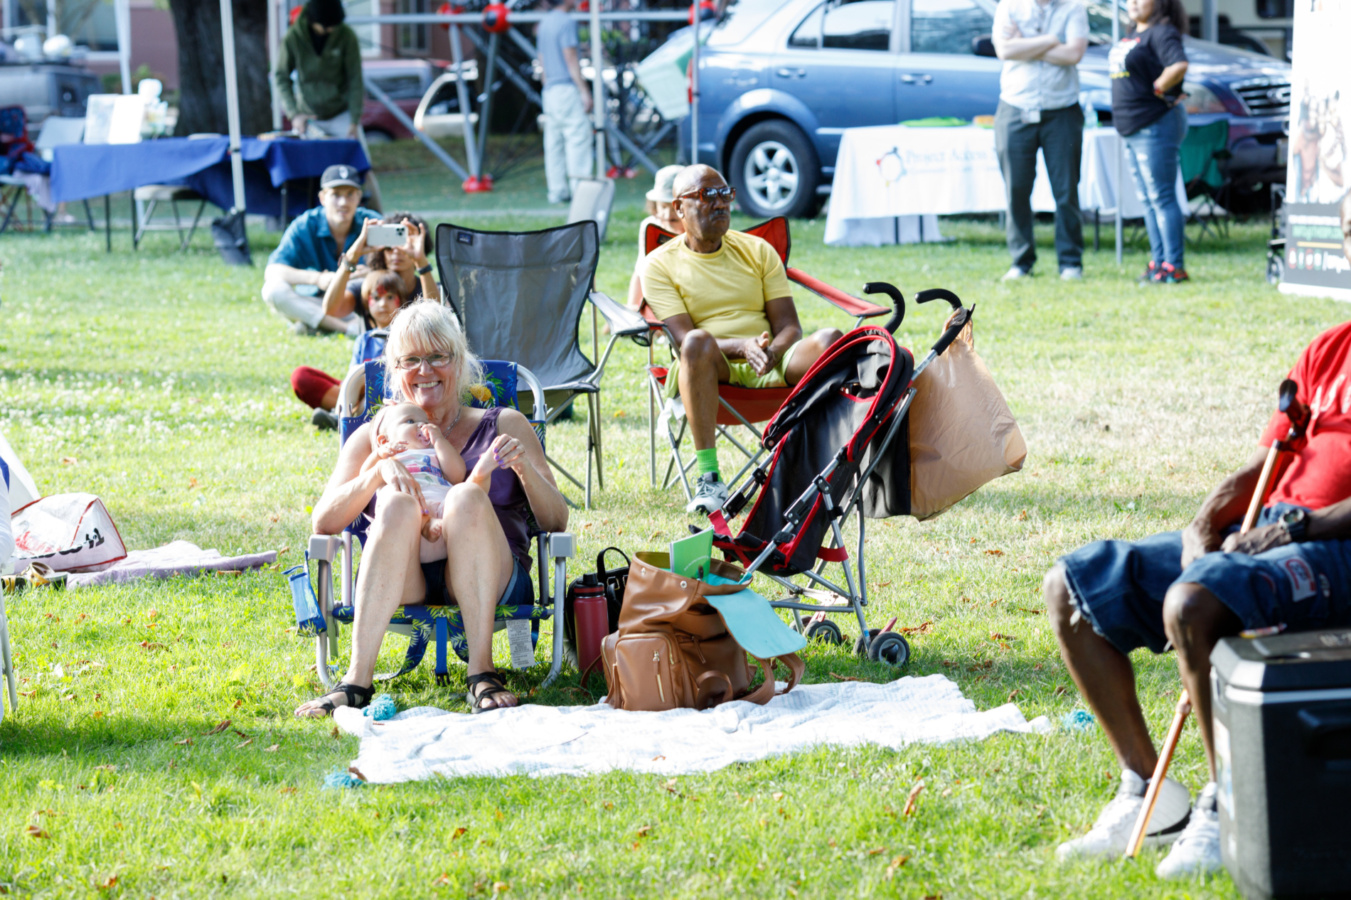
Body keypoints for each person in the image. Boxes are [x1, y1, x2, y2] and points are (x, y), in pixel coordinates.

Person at [1042, 192, 1351, 879]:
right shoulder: (1328, 348)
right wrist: (1205, 520)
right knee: (1072, 587)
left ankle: (1229, 806)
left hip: (1335, 546)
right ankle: (1147, 792)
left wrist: (1293, 527)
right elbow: (1271, 460)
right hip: (1271, 528)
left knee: (1193, 603)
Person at [294, 301, 568, 716]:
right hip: (405, 578)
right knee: (395, 503)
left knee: (465, 496)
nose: (425, 370)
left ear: (460, 360)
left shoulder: (505, 424)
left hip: (493, 577)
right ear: (395, 369)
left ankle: (482, 672)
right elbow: (324, 520)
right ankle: (356, 681)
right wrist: (377, 472)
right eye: (411, 360)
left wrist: (524, 468)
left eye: (439, 356)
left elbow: (556, 520)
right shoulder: (374, 438)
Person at [640, 165, 843, 514]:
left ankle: (828, 468)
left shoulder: (758, 250)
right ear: (678, 208)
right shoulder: (659, 265)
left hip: (769, 360)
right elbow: (683, 341)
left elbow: (789, 327)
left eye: (725, 194)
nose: (720, 203)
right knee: (696, 343)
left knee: (831, 341)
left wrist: (770, 352)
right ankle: (709, 478)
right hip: (708, 368)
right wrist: (742, 347)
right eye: (706, 195)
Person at [992, 0, 1089, 282]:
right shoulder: (1009, 6)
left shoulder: (1074, 7)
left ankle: (1070, 262)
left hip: (1062, 109)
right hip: (1015, 105)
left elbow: (1074, 54)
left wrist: (1025, 45)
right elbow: (1004, 50)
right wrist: (1050, 40)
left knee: (1066, 189)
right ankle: (1021, 261)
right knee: (1016, 189)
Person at [273, 0, 383, 208]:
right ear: (313, 20)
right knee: (310, 173)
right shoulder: (293, 38)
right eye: (327, 26)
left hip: (341, 114)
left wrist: (354, 120)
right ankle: (312, 217)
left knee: (362, 166)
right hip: (309, 116)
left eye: (335, 25)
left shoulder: (346, 36)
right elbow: (281, 76)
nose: (332, 29)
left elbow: (355, 79)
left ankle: (377, 215)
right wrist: (294, 114)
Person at [1110, 0, 1190, 284]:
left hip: (1155, 124)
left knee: (1162, 196)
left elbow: (1178, 64)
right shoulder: (1135, 33)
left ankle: (1174, 266)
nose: (1132, 2)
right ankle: (1159, 261)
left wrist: (1159, 87)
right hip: (1133, 128)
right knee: (1148, 199)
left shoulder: (1162, 32)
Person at [262, 165, 380, 336]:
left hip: (358, 303)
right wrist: (318, 279)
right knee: (273, 291)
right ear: (323, 198)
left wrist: (372, 274)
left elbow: (402, 268)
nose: (343, 202)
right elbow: (273, 270)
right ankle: (346, 328)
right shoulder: (305, 224)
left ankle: (315, 325)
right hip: (317, 301)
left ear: (358, 197)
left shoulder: (373, 223)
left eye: (350, 194)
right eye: (336, 195)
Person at [290, 268, 413, 428]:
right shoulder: (363, 340)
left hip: (390, 396)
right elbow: (352, 376)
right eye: (376, 298)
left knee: (372, 390)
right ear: (367, 302)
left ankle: (342, 416)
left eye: (390, 297)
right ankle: (344, 414)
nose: (383, 304)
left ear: (401, 301)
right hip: (357, 393)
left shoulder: (406, 337)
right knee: (302, 376)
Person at [367, 402, 465, 551]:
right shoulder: (389, 459)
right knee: (391, 495)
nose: (422, 425)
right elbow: (366, 476)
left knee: (461, 497)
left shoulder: (436, 453)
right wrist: (378, 455)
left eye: (426, 422)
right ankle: (425, 524)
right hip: (404, 513)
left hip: (441, 505)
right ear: (385, 441)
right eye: (410, 421)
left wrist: (439, 440)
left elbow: (457, 475)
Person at [537, 0, 594, 205]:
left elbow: (542, 60)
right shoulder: (566, 22)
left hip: (550, 89)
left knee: (553, 142)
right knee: (577, 138)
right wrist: (584, 91)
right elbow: (570, 58)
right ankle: (580, 192)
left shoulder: (544, 23)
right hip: (566, 88)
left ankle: (557, 191)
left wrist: (546, 85)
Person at [628, 164, 685, 310]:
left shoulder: (697, 228)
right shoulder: (650, 225)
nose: (668, 214)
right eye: (663, 207)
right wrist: (632, 306)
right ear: (654, 205)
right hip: (658, 295)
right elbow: (640, 270)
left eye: (674, 208)